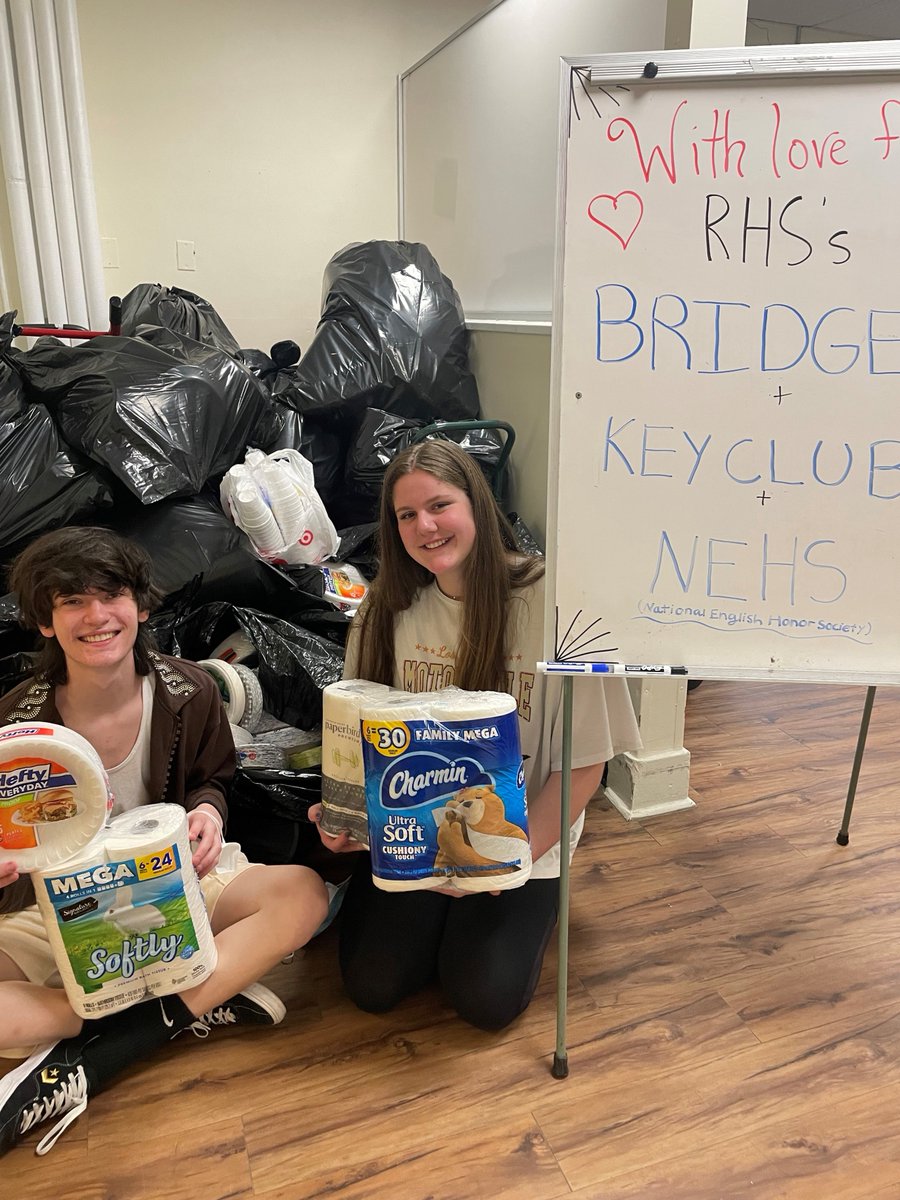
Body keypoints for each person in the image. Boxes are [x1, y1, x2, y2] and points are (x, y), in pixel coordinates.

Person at [0, 528, 329, 1157]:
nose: (96, 616)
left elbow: (215, 781)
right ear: (45, 621)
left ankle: (116, 1040)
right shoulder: (17, 729)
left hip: (180, 881)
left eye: (111, 594)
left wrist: (207, 810)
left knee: (303, 894)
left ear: (141, 606)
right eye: (72, 601)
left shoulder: (191, 690)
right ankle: (196, 995)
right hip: (59, 911)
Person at [310, 439, 641, 1031]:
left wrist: (508, 861)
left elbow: (585, 768)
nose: (425, 526)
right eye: (406, 515)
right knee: (374, 985)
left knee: (485, 999)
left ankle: (538, 904)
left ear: (478, 506)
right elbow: (354, 747)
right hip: (412, 836)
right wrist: (347, 822)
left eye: (440, 505)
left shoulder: (562, 606)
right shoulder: (383, 610)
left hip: (519, 839)